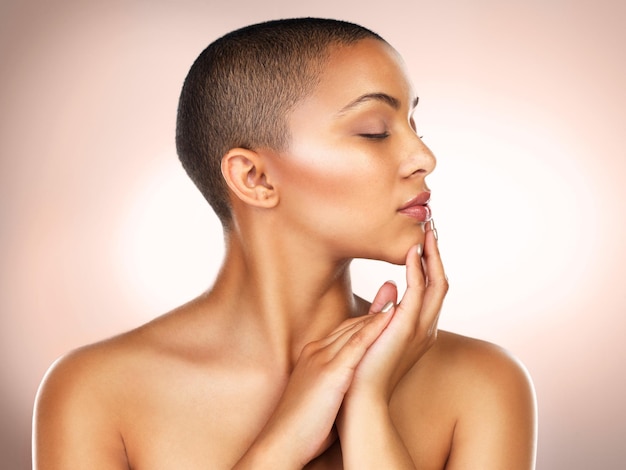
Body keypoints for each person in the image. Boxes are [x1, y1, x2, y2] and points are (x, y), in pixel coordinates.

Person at [32, 17, 537, 469]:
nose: (423, 156)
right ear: (254, 177)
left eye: (413, 125)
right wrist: (281, 444)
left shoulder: (483, 385)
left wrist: (368, 408)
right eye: (375, 131)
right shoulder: (96, 394)